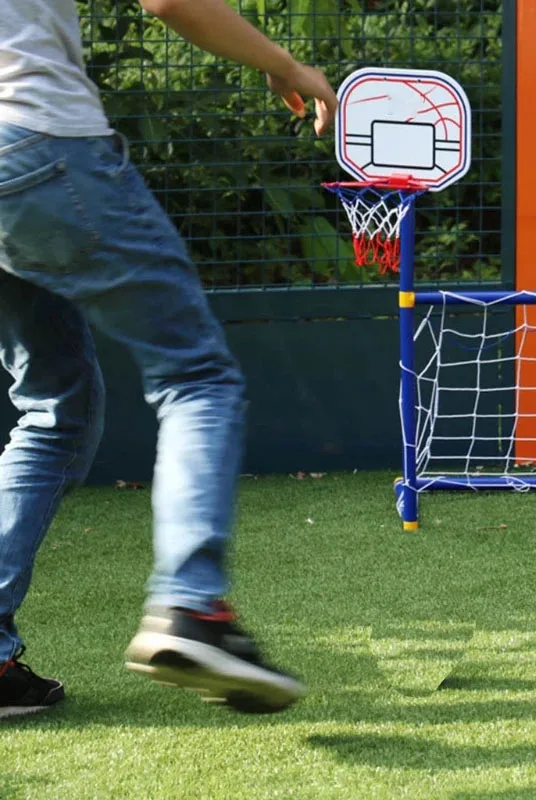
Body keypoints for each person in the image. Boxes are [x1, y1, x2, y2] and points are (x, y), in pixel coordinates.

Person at [0, 0, 337, 719]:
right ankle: (191, 607)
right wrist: (286, 64)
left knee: (54, 410)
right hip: (40, 143)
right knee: (196, 376)